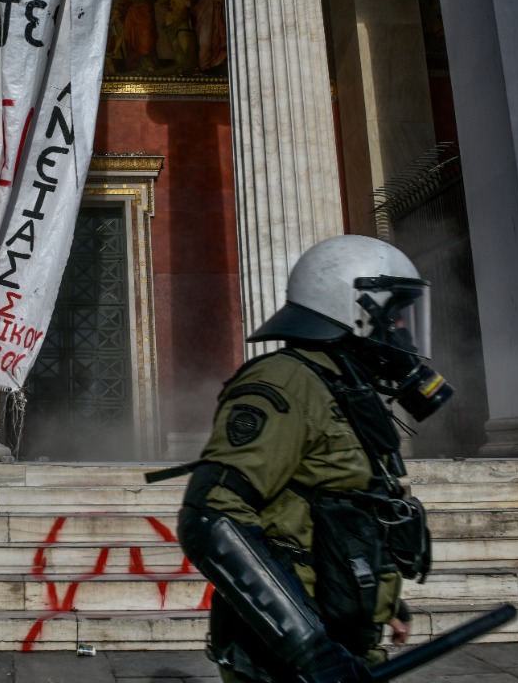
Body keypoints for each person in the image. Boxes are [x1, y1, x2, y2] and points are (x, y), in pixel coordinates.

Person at [177, 235, 453, 682]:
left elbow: (348, 506)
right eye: (394, 316)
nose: (401, 329)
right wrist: (310, 650)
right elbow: (211, 515)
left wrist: (384, 602)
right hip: (290, 660)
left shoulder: (343, 385)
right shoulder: (286, 382)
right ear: (351, 308)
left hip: (347, 638)